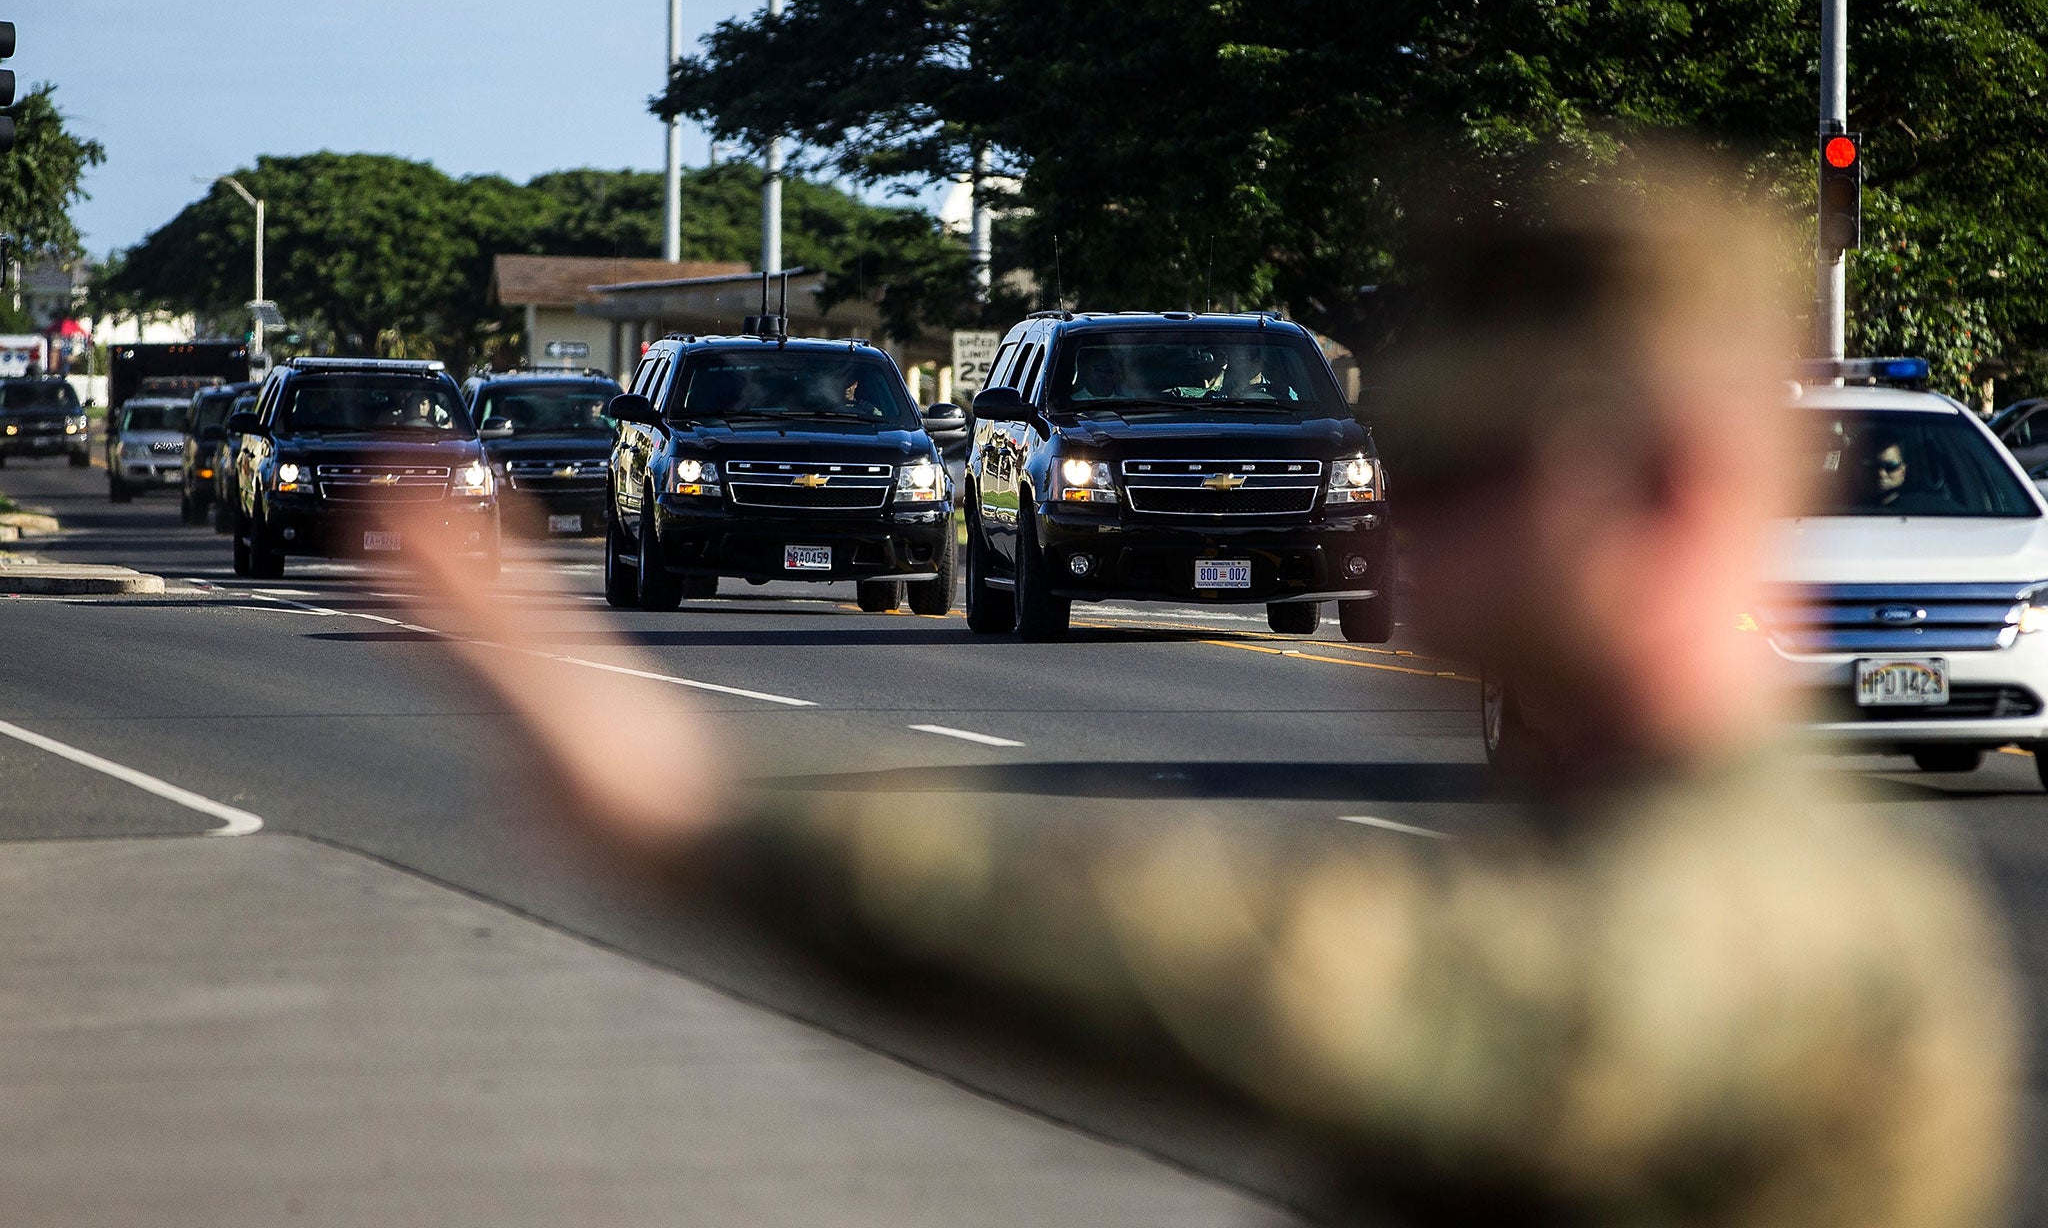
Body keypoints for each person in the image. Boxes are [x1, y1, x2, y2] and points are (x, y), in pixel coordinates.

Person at [395, 176, 2019, 1227]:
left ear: (1668, 480)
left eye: (1458, 472)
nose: (1403, 520)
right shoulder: (1629, 835)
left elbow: (1318, 975)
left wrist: (701, 826)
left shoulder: (1767, 916)